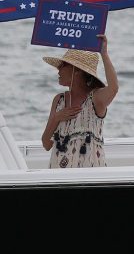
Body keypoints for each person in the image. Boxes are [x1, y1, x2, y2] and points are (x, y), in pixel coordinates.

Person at [41, 35, 119, 169]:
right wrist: (57, 118)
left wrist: (104, 54)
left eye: (63, 65)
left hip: (90, 176)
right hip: (59, 174)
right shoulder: (59, 100)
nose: (58, 70)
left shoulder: (95, 99)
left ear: (76, 71)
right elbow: (46, 144)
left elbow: (114, 88)